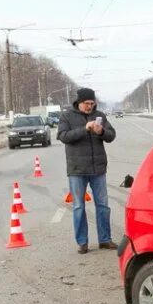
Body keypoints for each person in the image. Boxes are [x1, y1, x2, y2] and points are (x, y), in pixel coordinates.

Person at [57, 87, 117, 254]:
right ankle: (82, 242)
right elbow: (63, 136)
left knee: (103, 205)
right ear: (79, 102)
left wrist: (101, 131)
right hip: (77, 169)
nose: (90, 106)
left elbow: (111, 136)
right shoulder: (67, 116)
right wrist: (85, 129)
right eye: (86, 104)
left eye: (92, 103)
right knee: (78, 206)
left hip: (98, 168)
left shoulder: (101, 116)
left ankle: (105, 239)